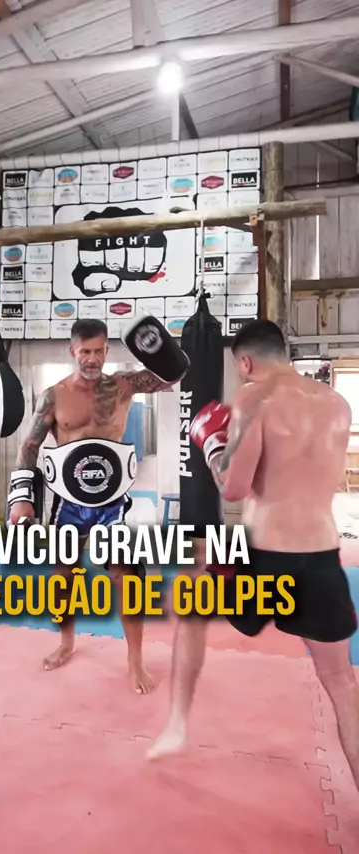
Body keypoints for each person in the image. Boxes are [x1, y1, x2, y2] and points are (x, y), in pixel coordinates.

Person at [148, 319, 359, 791]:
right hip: (322, 555)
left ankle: (177, 724)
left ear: (245, 361)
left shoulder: (253, 398)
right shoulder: (337, 403)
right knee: (342, 683)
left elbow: (235, 486)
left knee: (192, 607)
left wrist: (213, 445)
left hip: (263, 554)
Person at [7, 316, 189, 694]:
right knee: (64, 575)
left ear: (107, 350)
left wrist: (161, 348)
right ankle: (67, 642)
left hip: (112, 501)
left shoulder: (123, 385)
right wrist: (21, 497)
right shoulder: (54, 395)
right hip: (68, 501)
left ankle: (135, 658)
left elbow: (170, 377)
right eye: (85, 351)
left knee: (126, 577)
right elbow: (29, 446)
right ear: (72, 351)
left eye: (99, 351)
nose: (92, 358)